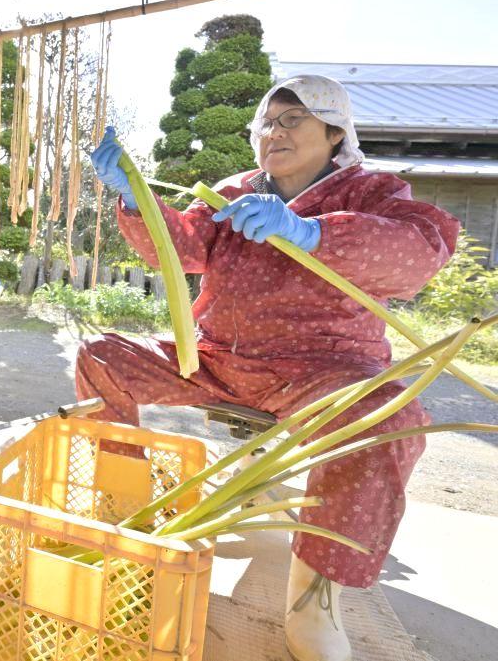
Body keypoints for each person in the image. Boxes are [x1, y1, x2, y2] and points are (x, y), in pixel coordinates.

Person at [84, 75, 459, 661]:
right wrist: (135, 198)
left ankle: (314, 605)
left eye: (292, 120)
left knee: (387, 422)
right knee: (102, 356)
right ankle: (124, 510)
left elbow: (418, 254)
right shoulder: (235, 191)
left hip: (323, 372)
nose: (273, 132)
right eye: (267, 122)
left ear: (335, 134)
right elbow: (181, 248)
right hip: (214, 359)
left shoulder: (372, 192)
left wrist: (310, 232)